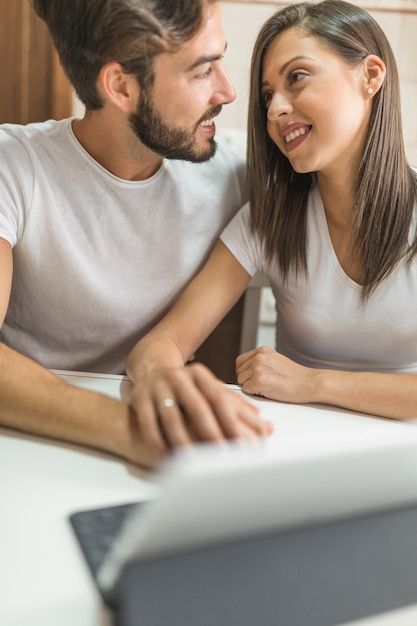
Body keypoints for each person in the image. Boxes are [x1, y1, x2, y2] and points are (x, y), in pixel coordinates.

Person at [127, 0, 417, 446]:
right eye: (267, 95)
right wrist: (165, 381)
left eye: (297, 77)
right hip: (293, 448)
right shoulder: (269, 219)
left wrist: (310, 383)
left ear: (371, 76)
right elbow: (162, 343)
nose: (275, 109)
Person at [0, 0, 270, 469]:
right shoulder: (15, 167)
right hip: (26, 448)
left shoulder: (233, 182)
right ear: (121, 87)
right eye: (202, 71)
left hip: (142, 467)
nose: (227, 91)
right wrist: (133, 428)